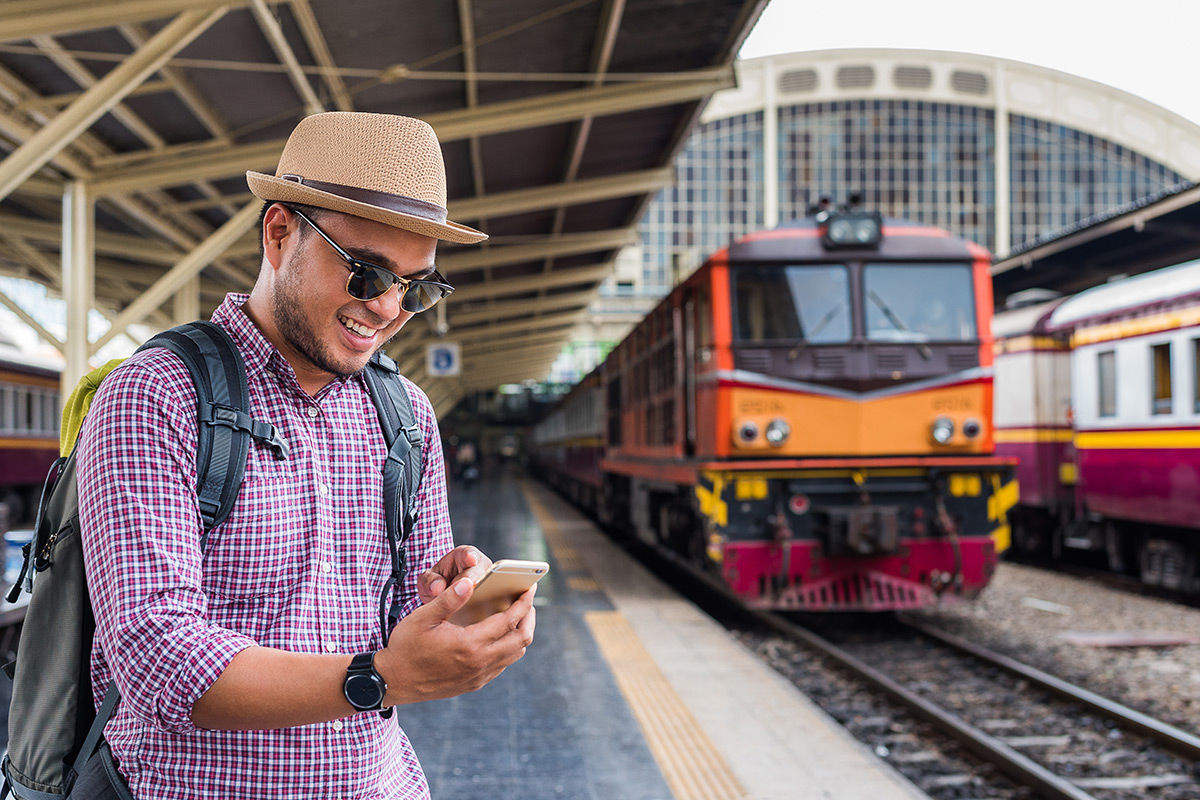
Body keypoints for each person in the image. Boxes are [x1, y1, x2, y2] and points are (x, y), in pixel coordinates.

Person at [75, 112, 537, 799]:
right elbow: (156, 659)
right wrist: (380, 677)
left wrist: (455, 609)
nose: (388, 308)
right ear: (279, 233)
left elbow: (403, 624)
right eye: (367, 273)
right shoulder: (157, 394)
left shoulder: (406, 414)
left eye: (417, 287)